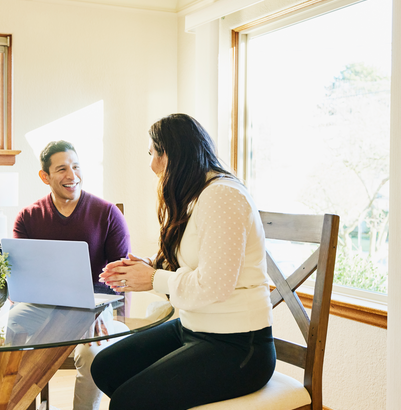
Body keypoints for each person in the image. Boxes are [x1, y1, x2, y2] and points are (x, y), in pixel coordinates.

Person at [92, 113, 276, 410]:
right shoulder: (195, 197)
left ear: (172, 155)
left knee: (128, 402)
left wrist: (151, 279)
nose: (151, 165)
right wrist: (150, 266)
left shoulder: (223, 196)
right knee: (105, 367)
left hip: (239, 345)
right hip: (194, 328)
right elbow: (192, 264)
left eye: (153, 153)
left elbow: (213, 286)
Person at [13, 140, 131, 410]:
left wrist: (102, 310)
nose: (72, 175)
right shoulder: (28, 218)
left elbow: (121, 274)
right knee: (10, 335)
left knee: (94, 354)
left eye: (76, 167)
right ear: (45, 176)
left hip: (97, 307)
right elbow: (23, 276)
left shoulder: (108, 213)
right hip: (44, 307)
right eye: (62, 169)